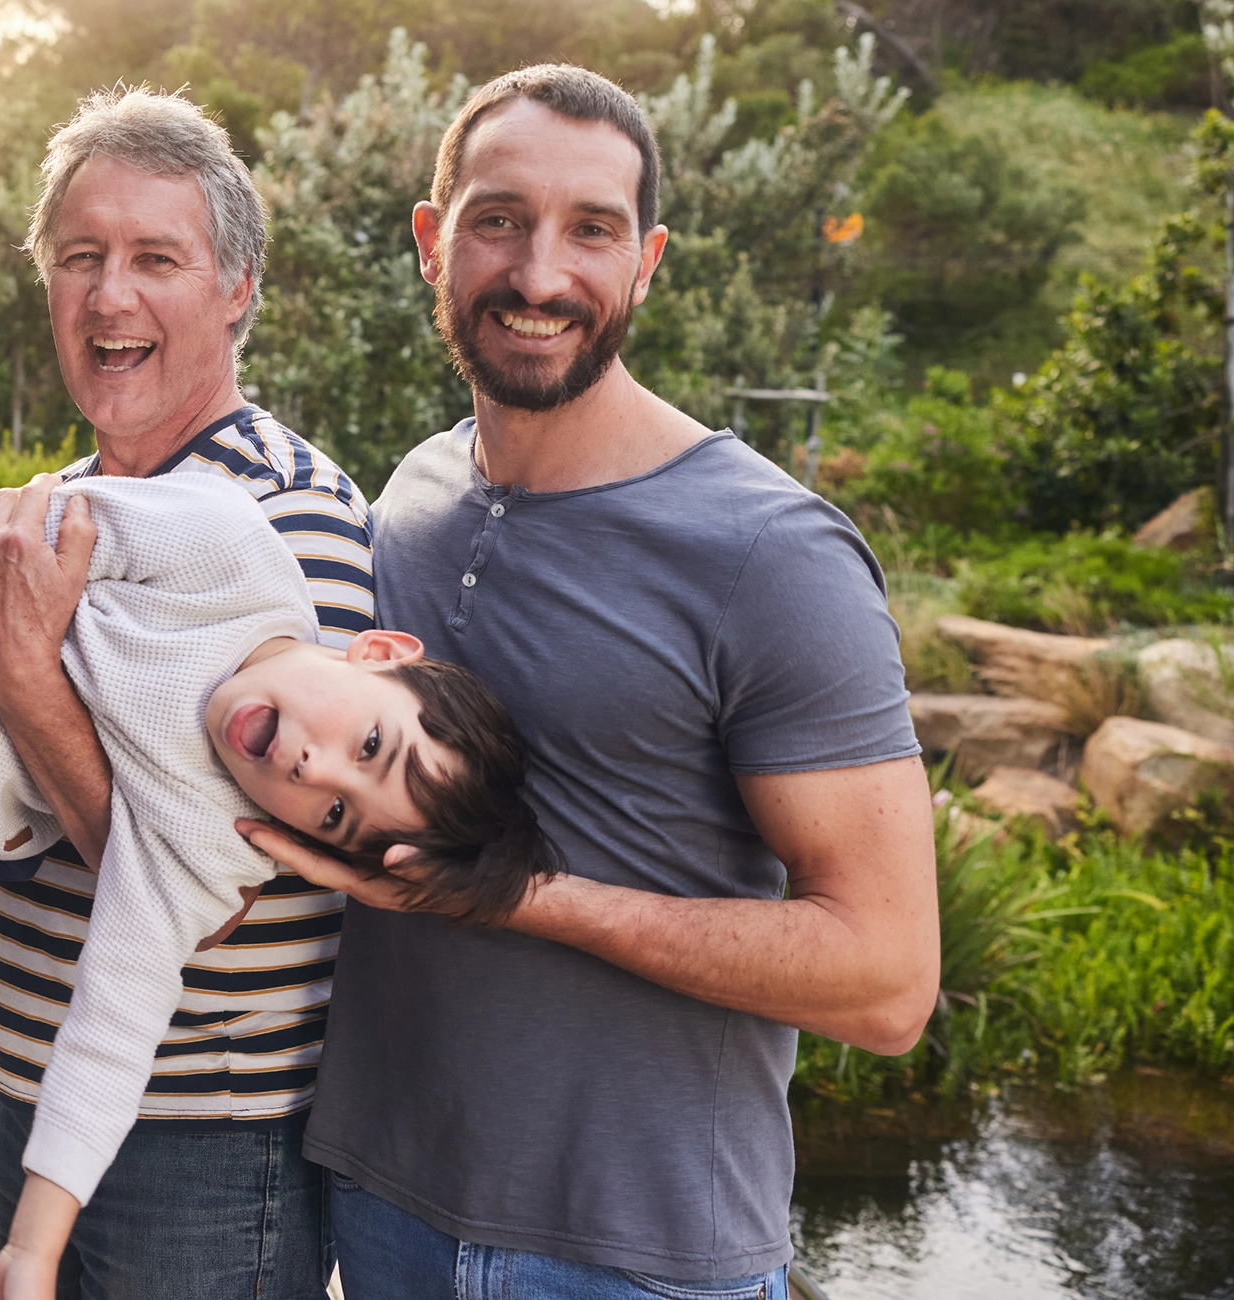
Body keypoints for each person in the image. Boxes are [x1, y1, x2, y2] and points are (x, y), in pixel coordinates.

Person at [238, 64, 940, 1299]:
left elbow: (886, 982)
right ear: (429, 241)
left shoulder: (770, 555)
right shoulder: (409, 496)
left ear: (647, 262)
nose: (540, 274)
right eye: (497, 219)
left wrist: (528, 898)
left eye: (591, 231)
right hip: (379, 1208)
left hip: (637, 1255)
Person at [0, 472, 553, 1298]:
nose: (312, 766)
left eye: (333, 813)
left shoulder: (210, 848)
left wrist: (35, 1250)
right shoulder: (225, 547)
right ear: (381, 653)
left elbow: (112, 1033)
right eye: (369, 746)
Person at [0, 87, 375, 1300]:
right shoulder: (62, 498)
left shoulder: (289, 516)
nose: (107, 296)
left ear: (235, 289)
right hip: (34, 1104)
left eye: (153, 259)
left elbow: (210, 889)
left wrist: (20, 673)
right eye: (81, 258)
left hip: (203, 1142)